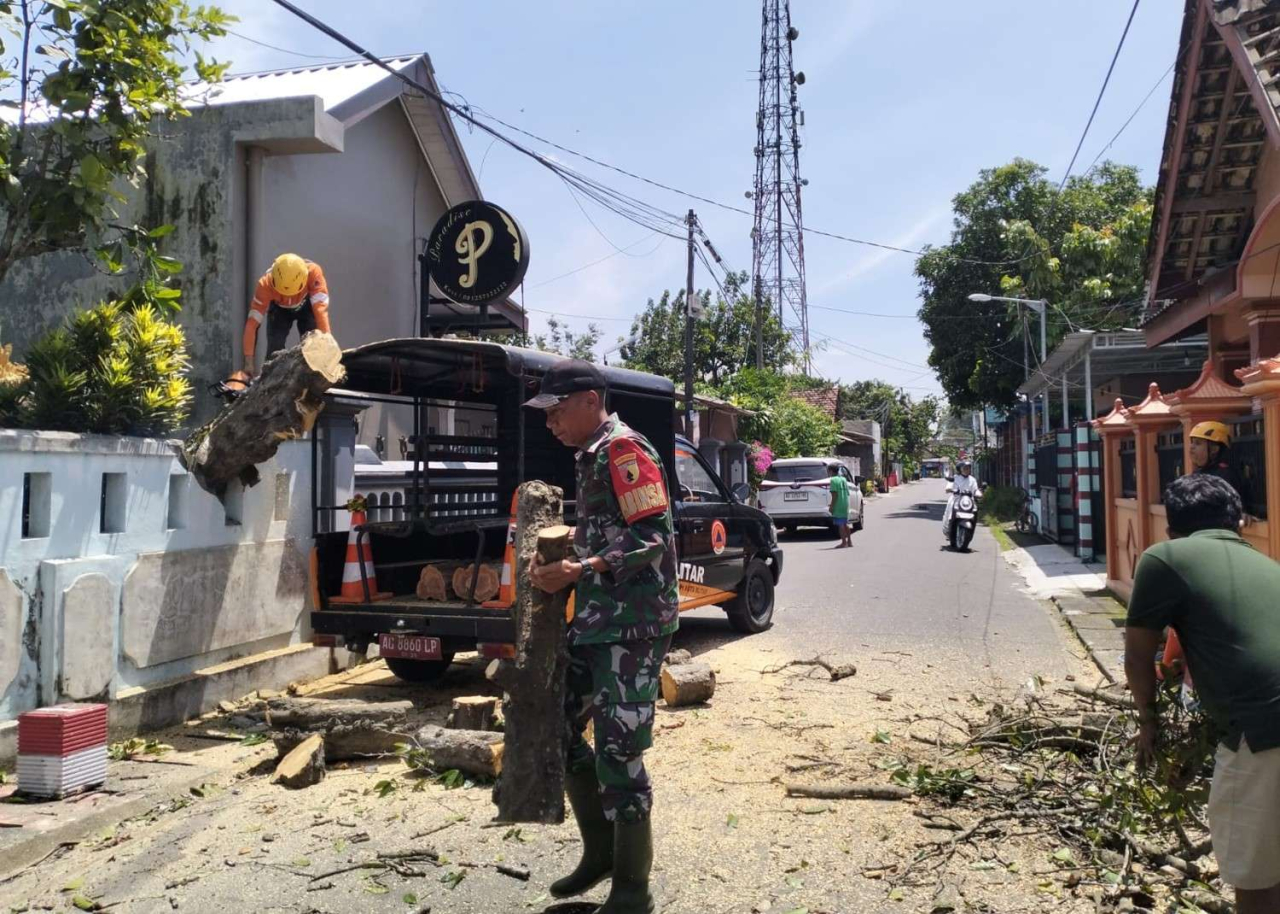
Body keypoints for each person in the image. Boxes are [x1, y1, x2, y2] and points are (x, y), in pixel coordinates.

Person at [526, 358, 679, 914]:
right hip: (597, 623)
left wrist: (581, 568)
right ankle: (602, 854)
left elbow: (652, 537)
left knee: (620, 751)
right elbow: (609, 527)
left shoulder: (624, 450)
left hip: (633, 627)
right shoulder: (590, 455)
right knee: (556, 719)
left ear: (591, 400)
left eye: (558, 411)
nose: (551, 424)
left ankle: (633, 889)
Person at [1125, 474, 1280, 914]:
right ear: (1240, 523)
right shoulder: (1268, 564)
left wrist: (1148, 724)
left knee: (1255, 873)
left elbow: (1138, 657)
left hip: (1264, 727)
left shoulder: (1164, 558)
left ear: (1171, 529)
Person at [241, 253, 332, 374]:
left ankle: (313, 378)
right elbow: (252, 324)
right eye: (282, 292)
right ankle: (271, 383)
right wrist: (248, 363)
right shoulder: (265, 284)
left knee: (313, 345)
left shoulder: (314, 274)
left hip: (307, 307)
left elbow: (320, 312)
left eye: (292, 293)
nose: (288, 297)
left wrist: (328, 345)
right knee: (274, 351)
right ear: (273, 280)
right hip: (279, 311)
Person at [942, 459, 981, 540]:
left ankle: (971, 528)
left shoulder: (972, 479)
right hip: (956, 499)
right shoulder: (955, 478)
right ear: (960, 469)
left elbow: (975, 489)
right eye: (965, 468)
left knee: (975, 510)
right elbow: (948, 487)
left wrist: (978, 493)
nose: (967, 470)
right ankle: (948, 529)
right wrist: (950, 489)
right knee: (949, 512)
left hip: (968, 501)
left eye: (968, 468)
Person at [828, 464, 852, 548]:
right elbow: (847, 493)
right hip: (845, 502)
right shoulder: (843, 479)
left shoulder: (833, 480)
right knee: (845, 523)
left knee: (840, 524)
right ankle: (849, 541)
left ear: (831, 471)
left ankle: (843, 542)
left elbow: (834, 495)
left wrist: (831, 506)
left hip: (838, 504)